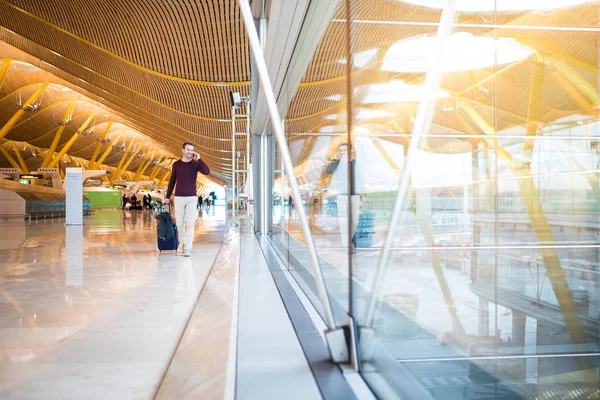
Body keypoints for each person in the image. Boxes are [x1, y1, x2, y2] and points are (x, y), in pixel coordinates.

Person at [164, 142, 210, 257]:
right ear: (183, 150)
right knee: (179, 223)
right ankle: (185, 242)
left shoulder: (195, 164)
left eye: (192, 150)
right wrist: (167, 197)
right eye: (188, 150)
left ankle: (187, 248)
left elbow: (207, 171)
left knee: (190, 223)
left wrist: (200, 159)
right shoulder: (176, 165)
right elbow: (172, 182)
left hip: (192, 197)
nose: (190, 152)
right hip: (179, 197)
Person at [325, 142, 363, 253]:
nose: (342, 153)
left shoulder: (356, 163)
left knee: (354, 221)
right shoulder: (337, 163)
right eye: (341, 151)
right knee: (344, 223)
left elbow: (361, 179)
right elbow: (327, 171)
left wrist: (363, 195)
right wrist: (333, 159)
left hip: (355, 195)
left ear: (350, 151)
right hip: (342, 196)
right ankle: (347, 246)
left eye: (345, 150)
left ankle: (349, 243)